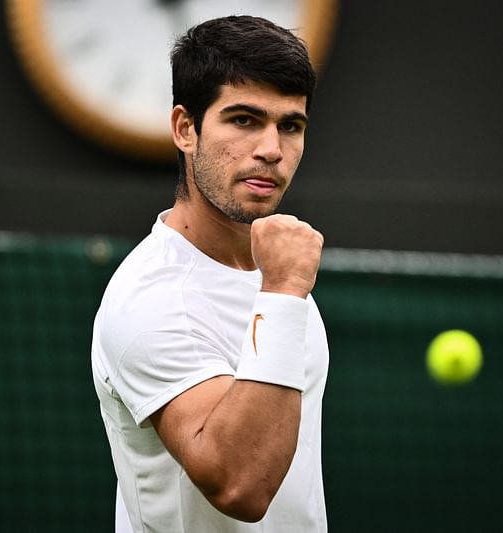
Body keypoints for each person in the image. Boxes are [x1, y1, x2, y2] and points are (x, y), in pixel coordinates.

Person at [91, 15, 329, 533]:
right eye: (244, 119)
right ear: (185, 129)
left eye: (291, 125)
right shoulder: (151, 299)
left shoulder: (273, 276)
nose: (271, 149)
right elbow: (241, 485)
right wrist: (285, 292)